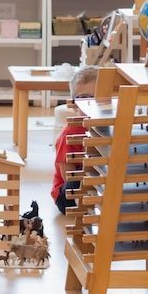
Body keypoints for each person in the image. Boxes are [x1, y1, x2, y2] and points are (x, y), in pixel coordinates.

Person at [51, 65, 101, 214]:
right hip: (66, 194)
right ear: (73, 103)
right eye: (84, 98)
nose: (90, 103)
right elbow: (69, 176)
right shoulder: (69, 133)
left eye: (95, 97)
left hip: (96, 181)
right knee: (78, 179)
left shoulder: (106, 127)